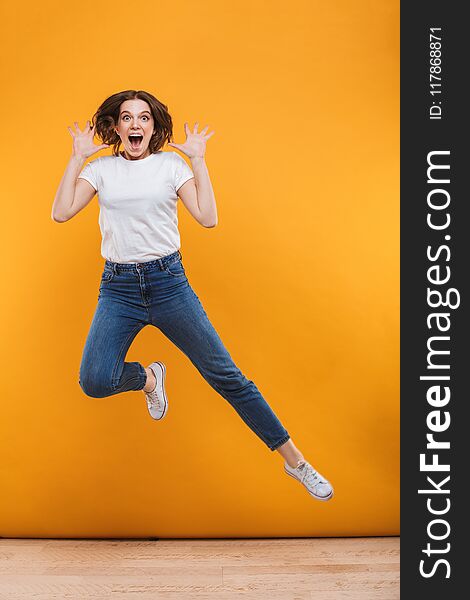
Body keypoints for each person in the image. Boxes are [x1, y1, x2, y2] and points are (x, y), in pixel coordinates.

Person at [51, 89, 333, 502]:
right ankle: (150, 379)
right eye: (126, 118)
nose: (135, 125)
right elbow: (61, 212)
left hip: (168, 283)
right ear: (114, 127)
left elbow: (207, 217)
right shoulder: (101, 170)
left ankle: (296, 462)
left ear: (153, 126)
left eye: (143, 118)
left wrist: (199, 161)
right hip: (119, 288)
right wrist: (77, 157)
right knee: (94, 380)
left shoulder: (171, 165)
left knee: (227, 377)